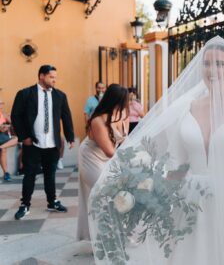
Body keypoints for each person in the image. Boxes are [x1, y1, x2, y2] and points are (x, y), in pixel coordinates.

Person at [88, 37, 224, 265]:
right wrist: (146, 188)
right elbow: (176, 163)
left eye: (220, 63)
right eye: (207, 63)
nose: (212, 70)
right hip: (192, 206)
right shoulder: (186, 107)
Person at [11, 65, 75, 220]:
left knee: (50, 175)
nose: (54, 80)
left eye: (55, 77)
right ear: (41, 76)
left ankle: (52, 201)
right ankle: (25, 204)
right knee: (29, 175)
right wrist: (24, 137)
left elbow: (66, 117)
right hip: (33, 143)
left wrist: (70, 137)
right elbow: (16, 116)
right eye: (51, 77)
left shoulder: (60, 96)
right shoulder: (25, 94)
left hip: (52, 144)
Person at [77, 84, 129, 241]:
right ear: (113, 101)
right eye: (122, 102)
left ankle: (120, 232)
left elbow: (125, 139)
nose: (125, 105)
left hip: (112, 156)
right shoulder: (98, 120)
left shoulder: (124, 113)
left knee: (119, 193)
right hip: (91, 157)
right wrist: (131, 161)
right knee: (105, 192)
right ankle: (103, 238)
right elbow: (109, 151)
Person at [0, 99, 18, 182]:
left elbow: (14, 124)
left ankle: (6, 173)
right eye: (0, 103)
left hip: (3, 137)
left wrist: (9, 125)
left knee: (18, 138)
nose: (1, 105)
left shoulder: (4, 114)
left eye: (2, 103)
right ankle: (6, 173)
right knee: (3, 150)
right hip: (1, 135)